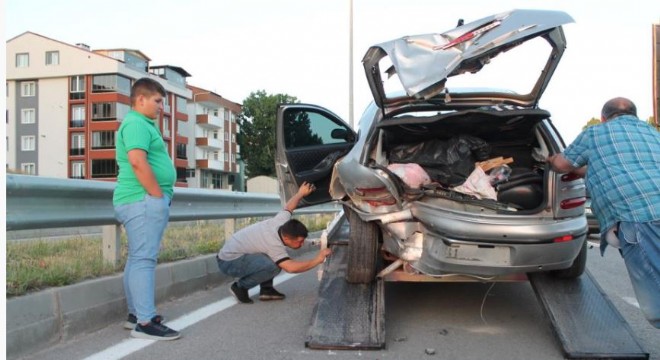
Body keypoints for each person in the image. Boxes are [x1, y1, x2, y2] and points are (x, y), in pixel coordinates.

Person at [546, 97, 660, 328]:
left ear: (603, 118)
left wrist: (549, 157)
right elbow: (621, 164)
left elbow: (561, 165)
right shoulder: (653, 134)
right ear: (634, 115)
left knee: (656, 297)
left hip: (639, 217)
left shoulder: (595, 134)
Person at [113, 77, 181, 340]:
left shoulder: (141, 124)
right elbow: (137, 162)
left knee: (137, 257)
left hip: (139, 200)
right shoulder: (136, 123)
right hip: (142, 200)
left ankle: (135, 315)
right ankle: (145, 321)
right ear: (140, 99)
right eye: (157, 101)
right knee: (144, 259)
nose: (161, 107)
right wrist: (156, 196)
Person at [217, 181, 332, 304]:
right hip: (229, 262)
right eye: (299, 242)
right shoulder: (273, 244)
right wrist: (317, 260)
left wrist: (300, 194)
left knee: (270, 259)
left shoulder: (281, 222)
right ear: (287, 239)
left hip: (233, 253)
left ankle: (266, 290)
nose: (301, 244)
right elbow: (291, 268)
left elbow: (289, 207)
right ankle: (239, 287)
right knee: (273, 266)